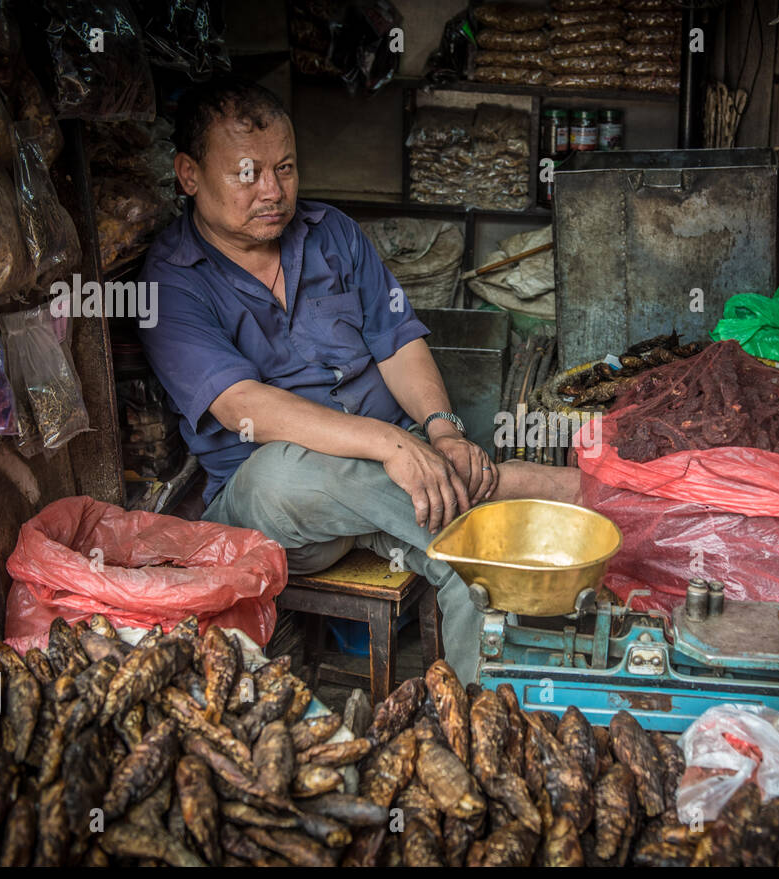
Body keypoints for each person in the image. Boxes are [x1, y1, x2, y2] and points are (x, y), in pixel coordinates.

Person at [138, 78, 578, 684]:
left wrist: (442, 432)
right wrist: (392, 444)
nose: (273, 191)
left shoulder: (332, 233)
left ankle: (481, 700)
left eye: (285, 168)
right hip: (279, 514)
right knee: (281, 472)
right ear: (188, 175)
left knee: (455, 557)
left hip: (390, 486)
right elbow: (245, 405)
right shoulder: (170, 281)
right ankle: (504, 491)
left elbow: (398, 342)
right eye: (248, 173)